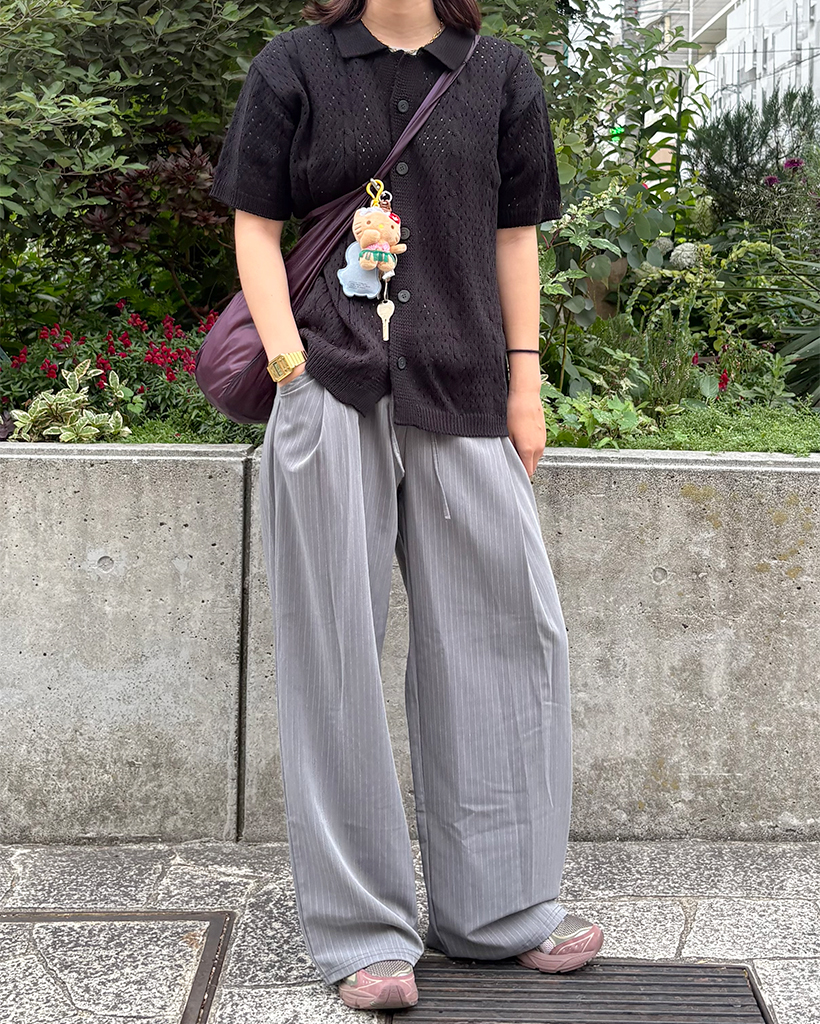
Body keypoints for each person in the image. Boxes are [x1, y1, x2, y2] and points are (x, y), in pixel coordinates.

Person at [208, 0, 604, 1011]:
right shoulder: (293, 66)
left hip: (464, 387)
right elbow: (255, 225)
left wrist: (526, 384)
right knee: (332, 654)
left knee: (509, 633)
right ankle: (362, 934)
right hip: (329, 387)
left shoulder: (499, 74)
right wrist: (288, 363)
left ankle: (501, 909)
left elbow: (514, 236)